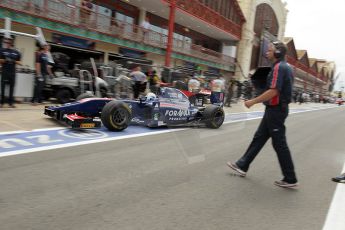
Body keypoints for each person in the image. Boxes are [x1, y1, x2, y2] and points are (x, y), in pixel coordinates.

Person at [226, 41, 298, 188]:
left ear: (277, 53)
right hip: (274, 109)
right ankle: (242, 164)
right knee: (259, 137)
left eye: (269, 50)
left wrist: (253, 101)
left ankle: (290, 178)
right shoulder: (284, 67)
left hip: (276, 110)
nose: (267, 53)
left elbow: (274, 91)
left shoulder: (279, 67)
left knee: (279, 144)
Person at [0, 37, 22, 108]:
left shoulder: (17, 52)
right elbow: (0, 60)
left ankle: (11, 103)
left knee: (12, 88)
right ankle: (2, 103)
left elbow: (20, 62)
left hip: (12, 73)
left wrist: (13, 61)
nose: (8, 43)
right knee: (2, 87)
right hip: (4, 72)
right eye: (6, 42)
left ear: (12, 43)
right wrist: (5, 60)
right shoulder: (2, 50)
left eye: (9, 42)